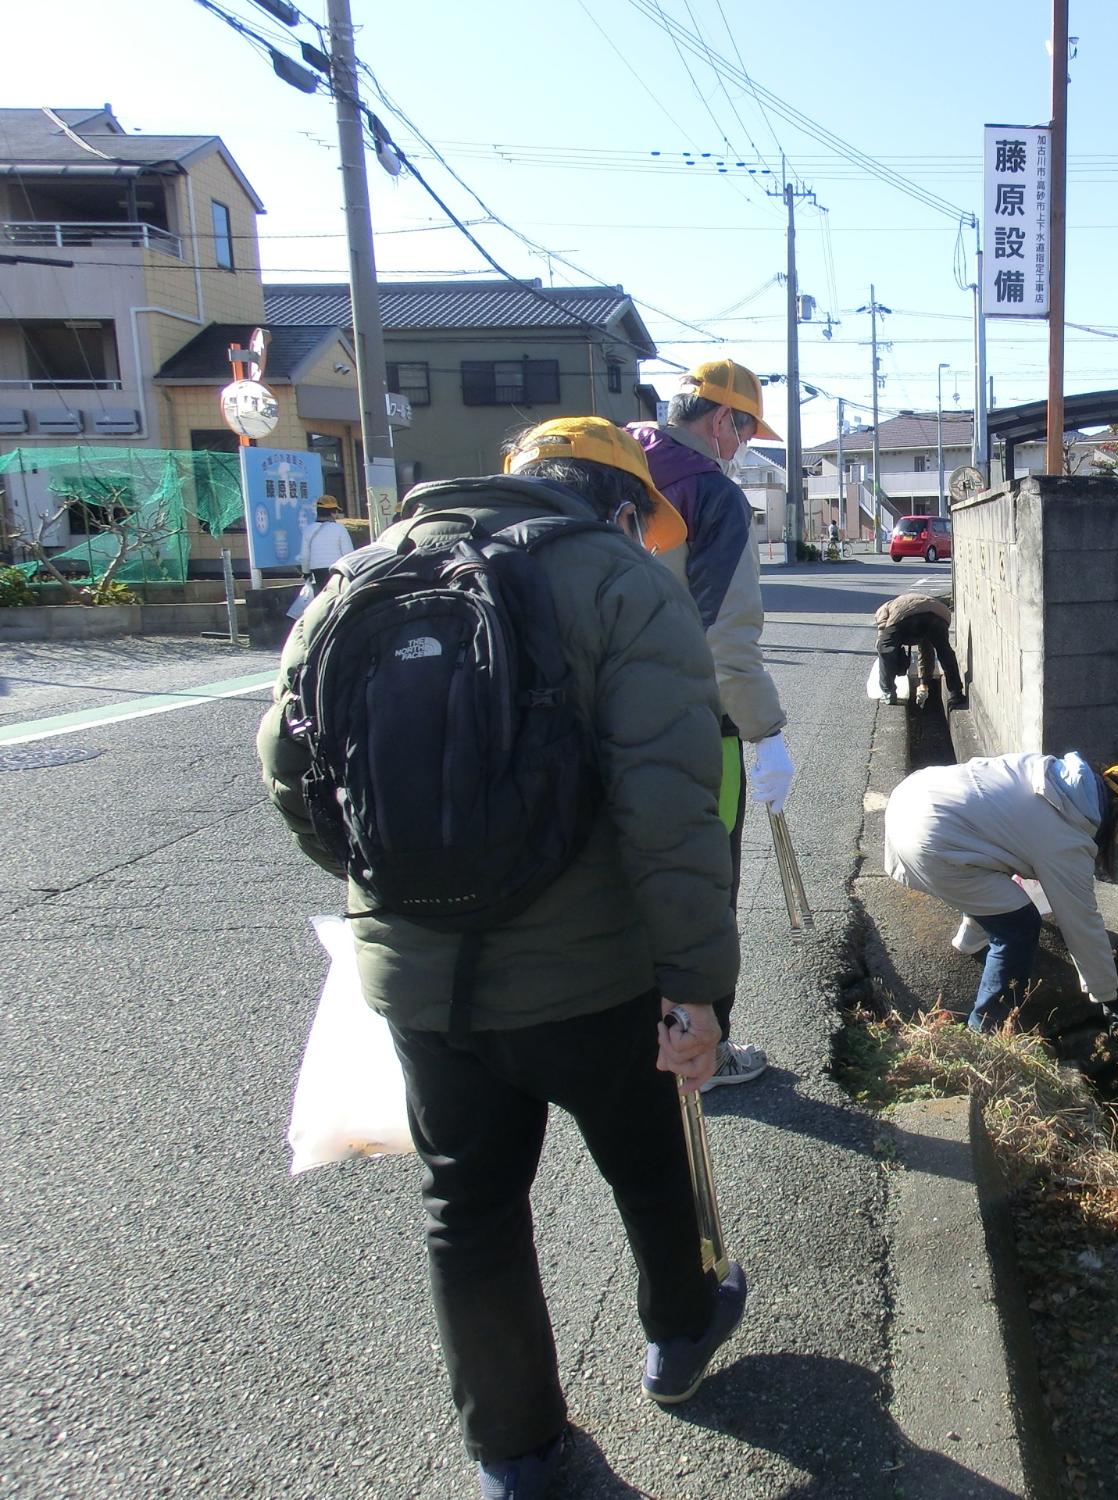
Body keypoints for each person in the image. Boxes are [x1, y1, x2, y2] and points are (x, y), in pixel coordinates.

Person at [257, 416, 748, 1500]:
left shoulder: (360, 574)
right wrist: (697, 987)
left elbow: (289, 769)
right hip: (594, 974)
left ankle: (516, 1454)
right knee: (647, 1157)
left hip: (424, 983)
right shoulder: (620, 582)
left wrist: (389, 892)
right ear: (622, 507)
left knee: (467, 1205)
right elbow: (670, 810)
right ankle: (679, 1332)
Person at [628, 360, 793, 1093]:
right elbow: (725, 639)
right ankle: (701, 1057)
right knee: (701, 891)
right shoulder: (711, 493)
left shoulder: (620, 468)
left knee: (626, 888)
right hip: (692, 726)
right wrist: (767, 731)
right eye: (747, 429)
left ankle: (637, 1049)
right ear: (722, 421)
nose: (745, 445)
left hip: (600, 719)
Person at [883, 753, 1118, 1033]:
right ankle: (987, 1028)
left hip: (909, 799)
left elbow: (993, 842)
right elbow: (1081, 923)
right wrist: (1107, 996)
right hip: (931, 839)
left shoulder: (1049, 775)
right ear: (1117, 810)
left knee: (994, 865)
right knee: (1019, 927)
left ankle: (969, 941)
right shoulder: (1068, 839)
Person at [874, 591, 967, 710]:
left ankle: (888, 693)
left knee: (885, 650)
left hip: (903, 615)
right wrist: (924, 684)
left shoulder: (884, 609)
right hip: (938, 614)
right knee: (944, 652)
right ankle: (956, 694)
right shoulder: (899, 604)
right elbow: (926, 654)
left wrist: (887, 650)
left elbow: (883, 641)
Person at [301, 495, 354, 590]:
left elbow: (304, 556)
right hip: (337, 570)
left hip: (317, 571)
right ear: (333, 513)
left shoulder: (308, 530)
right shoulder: (340, 529)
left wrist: (306, 573)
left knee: (323, 597)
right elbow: (348, 553)